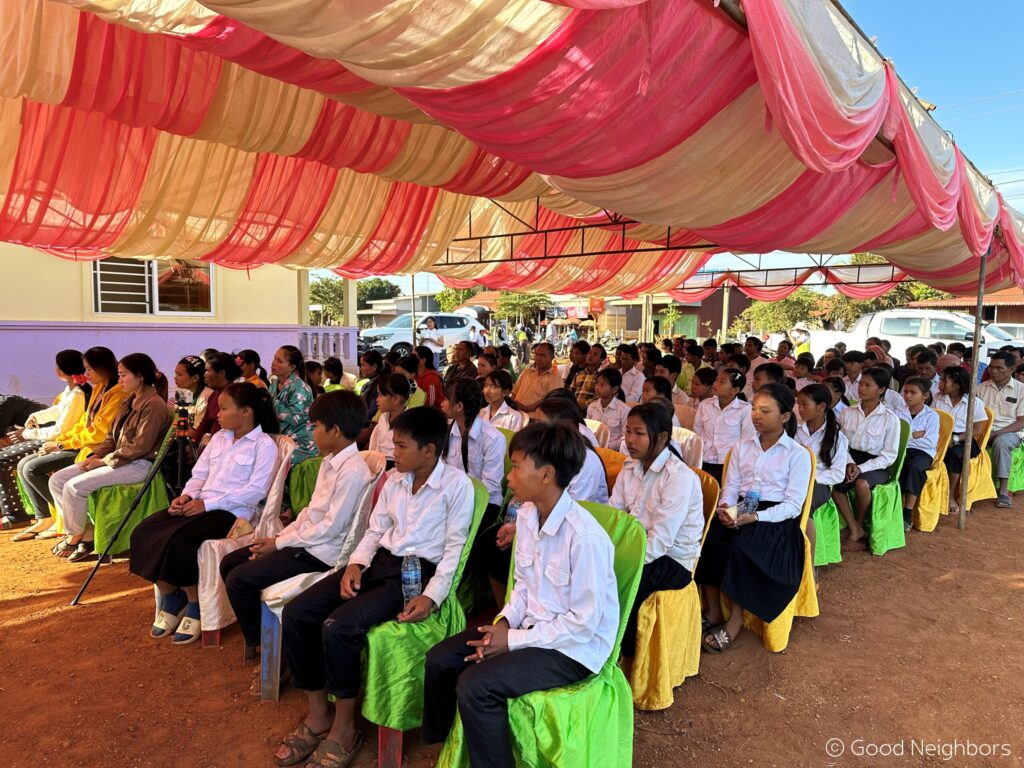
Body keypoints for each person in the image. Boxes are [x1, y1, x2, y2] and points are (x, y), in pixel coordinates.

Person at [274, 407, 475, 767]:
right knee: (297, 612)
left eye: (401, 446)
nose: (392, 452)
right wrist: (356, 563)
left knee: (338, 627)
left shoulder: (456, 487)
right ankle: (319, 714)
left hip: (414, 574)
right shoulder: (396, 480)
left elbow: (453, 550)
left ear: (429, 450)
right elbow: (375, 530)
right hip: (378, 562)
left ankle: (344, 729)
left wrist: (432, 595)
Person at [421, 422, 617, 768]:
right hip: (529, 628)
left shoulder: (585, 537)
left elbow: (583, 625)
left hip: (571, 649)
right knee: (440, 659)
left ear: (547, 475)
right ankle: (450, 750)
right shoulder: (527, 516)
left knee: (475, 686)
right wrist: (503, 622)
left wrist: (510, 641)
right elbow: (523, 586)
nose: (508, 477)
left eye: (516, 467)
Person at [220, 391, 373, 661]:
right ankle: (260, 636)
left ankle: (268, 650)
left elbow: (330, 528)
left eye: (315, 426)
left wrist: (279, 544)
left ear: (335, 431)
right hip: (304, 542)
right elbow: (309, 512)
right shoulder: (330, 462)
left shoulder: (352, 471)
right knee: (230, 563)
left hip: (320, 553)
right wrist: (281, 537)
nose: (311, 432)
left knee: (238, 580)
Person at [130, 382, 279, 645]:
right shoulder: (219, 438)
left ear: (246, 412)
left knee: (180, 540)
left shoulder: (263, 445)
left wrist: (206, 505)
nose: (217, 415)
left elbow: (255, 491)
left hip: (232, 514)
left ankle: (194, 602)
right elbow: (199, 474)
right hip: (199, 504)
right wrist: (186, 496)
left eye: (223, 408)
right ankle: (170, 593)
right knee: (143, 532)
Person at [696, 384, 812, 653]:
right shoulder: (742, 445)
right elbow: (732, 487)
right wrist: (726, 509)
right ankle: (713, 611)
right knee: (707, 540)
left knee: (740, 547)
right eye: (754, 409)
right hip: (743, 506)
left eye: (765, 411)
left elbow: (793, 505)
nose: (756, 415)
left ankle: (735, 620)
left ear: (784, 417)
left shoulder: (797, 454)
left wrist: (755, 517)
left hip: (774, 516)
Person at [47, 354, 172, 562]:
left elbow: (140, 446)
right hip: (119, 459)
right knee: (57, 480)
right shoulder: (129, 400)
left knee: (75, 487)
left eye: (123, 375)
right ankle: (86, 532)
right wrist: (96, 454)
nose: (120, 380)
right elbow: (110, 437)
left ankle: (75, 538)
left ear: (140, 376)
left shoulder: (155, 405)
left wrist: (104, 461)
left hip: (138, 464)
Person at [612, 402, 703, 657]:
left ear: (662, 437)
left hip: (673, 559)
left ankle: (620, 653)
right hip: (635, 547)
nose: (630, 440)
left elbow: (660, 543)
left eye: (639, 433)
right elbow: (615, 515)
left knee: (622, 581)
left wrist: (620, 560)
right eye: (628, 431)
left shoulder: (678, 477)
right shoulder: (630, 467)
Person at [16, 347, 125, 540]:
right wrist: (60, 442)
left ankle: (79, 530)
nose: (86, 374)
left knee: (37, 470)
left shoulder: (115, 394)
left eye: (89, 369)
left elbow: (98, 433)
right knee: (35, 470)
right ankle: (72, 528)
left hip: (98, 452)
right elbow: (84, 422)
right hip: (84, 448)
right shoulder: (100, 388)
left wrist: (59, 445)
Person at [1, 350, 88, 530]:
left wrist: (25, 434)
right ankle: (44, 517)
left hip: (63, 443)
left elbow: (60, 430)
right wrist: (36, 416)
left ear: (61, 371)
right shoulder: (71, 391)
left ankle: (18, 515)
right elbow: (58, 411)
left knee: (10, 461)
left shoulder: (78, 394)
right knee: (22, 463)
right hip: (51, 439)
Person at [832, 368, 901, 552]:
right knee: (832, 481)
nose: (861, 388)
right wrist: (848, 462)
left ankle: (859, 525)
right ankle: (854, 527)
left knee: (861, 484)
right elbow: (840, 442)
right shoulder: (847, 412)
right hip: (849, 458)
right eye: (861, 383)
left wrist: (860, 468)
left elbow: (889, 455)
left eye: (868, 385)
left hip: (876, 463)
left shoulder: (890, 419)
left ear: (881, 389)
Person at [795, 384, 849, 562]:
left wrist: (809, 479)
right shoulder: (794, 429)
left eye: (805, 404)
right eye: (798, 404)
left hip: (819, 484)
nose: (800, 409)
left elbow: (837, 474)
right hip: (791, 478)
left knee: (804, 504)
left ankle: (808, 563)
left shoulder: (837, 437)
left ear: (821, 407)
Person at [934, 366, 987, 517]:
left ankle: (950, 495)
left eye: (944, 380)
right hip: (940, 437)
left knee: (955, 454)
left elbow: (977, 430)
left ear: (957, 384)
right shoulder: (936, 398)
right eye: (941, 379)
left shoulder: (973, 402)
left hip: (963, 438)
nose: (940, 383)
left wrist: (956, 438)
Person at [535, 398, 608, 504]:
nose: (532, 430)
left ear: (561, 430)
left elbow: (573, 510)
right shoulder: (544, 450)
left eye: (539, 425)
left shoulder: (587, 462)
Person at [977, 351, 1024, 508]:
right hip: (983, 430)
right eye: (991, 367)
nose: (993, 371)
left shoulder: (1021, 390)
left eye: (999, 368)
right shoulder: (980, 389)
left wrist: (996, 433)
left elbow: (1021, 422)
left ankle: (1003, 490)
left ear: (1011, 369)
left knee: (1001, 443)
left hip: (1010, 432)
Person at [693, 369, 755, 485]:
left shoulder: (745, 409)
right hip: (703, 459)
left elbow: (747, 440)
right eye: (716, 380)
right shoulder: (705, 404)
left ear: (735, 390)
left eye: (722, 382)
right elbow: (697, 432)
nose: (715, 384)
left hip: (727, 464)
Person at [899, 377, 940, 530]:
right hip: (900, 450)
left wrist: (906, 437)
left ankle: (907, 512)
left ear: (925, 395)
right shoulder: (897, 412)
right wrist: (915, 435)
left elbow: (929, 442)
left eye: (913, 392)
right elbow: (893, 438)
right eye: (906, 392)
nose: (907, 396)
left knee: (914, 467)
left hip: (922, 452)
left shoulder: (932, 416)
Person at [270, 346, 317, 466]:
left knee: (272, 463)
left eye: (279, 361)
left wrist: (270, 402)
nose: (273, 363)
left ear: (292, 367)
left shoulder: (300, 388)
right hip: (281, 437)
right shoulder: (274, 383)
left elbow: (294, 418)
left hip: (301, 442)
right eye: (274, 358)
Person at [190, 353, 240, 449]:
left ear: (221, 373)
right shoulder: (214, 394)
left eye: (208, 371)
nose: (204, 375)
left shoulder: (233, 395)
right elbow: (204, 425)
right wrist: (194, 445)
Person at [511, 342, 563, 417]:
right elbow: (514, 393)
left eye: (542, 355)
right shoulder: (527, 372)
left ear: (552, 357)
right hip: (514, 414)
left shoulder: (555, 378)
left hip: (533, 419)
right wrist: (512, 407)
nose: (538, 358)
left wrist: (527, 408)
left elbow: (551, 402)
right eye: (537, 354)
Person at [369, 374, 411, 467]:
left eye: (380, 395)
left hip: (398, 466)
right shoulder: (383, 418)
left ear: (395, 399)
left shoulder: (411, 422)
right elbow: (376, 446)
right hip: (380, 463)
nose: (377, 400)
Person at [586, 368, 630, 448]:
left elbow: (625, 436)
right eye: (597, 383)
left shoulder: (624, 410)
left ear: (614, 389)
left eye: (602, 384)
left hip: (613, 452)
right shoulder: (592, 406)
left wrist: (607, 446)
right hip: (593, 448)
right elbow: (587, 431)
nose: (597, 388)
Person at [570, 343, 604, 410]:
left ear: (601, 359)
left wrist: (584, 405)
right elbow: (570, 392)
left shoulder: (601, 377)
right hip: (573, 410)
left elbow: (600, 397)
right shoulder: (578, 374)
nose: (590, 356)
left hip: (590, 410)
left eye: (595, 354)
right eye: (589, 353)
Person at [357, 350, 385, 417]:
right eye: (361, 365)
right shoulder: (370, 383)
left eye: (363, 365)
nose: (361, 368)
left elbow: (372, 410)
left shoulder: (380, 385)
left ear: (374, 367)